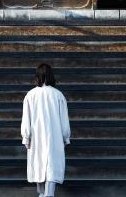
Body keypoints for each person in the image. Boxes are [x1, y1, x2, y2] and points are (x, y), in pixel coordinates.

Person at [21, 63, 71, 197]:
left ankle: (43, 193)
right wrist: (65, 136)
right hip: (54, 136)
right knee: (52, 166)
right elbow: (64, 119)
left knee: (39, 164)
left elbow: (26, 118)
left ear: (37, 76)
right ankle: (48, 194)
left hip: (36, 136)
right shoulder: (58, 95)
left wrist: (26, 137)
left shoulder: (30, 95)